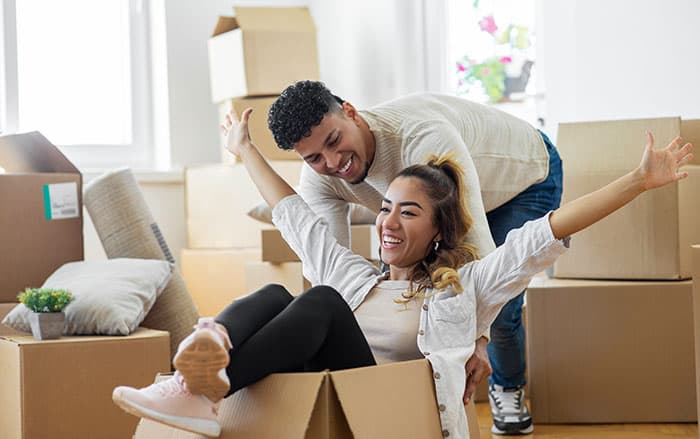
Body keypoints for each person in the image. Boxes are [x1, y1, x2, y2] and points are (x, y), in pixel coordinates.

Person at [112, 107, 692, 439]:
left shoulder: (466, 285)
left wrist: (638, 181)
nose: (388, 222)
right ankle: (194, 377)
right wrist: (244, 149)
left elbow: (547, 233)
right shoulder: (354, 271)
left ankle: (207, 388)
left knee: (319, 303)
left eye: (407, 212)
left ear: (438, 231)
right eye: (384, 207)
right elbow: (293, 213)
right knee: (271, 291)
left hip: (386, 408)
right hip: (329, 391)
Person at [266, 80, 562, 434]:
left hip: (523, 178)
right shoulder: (320, 176)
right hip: (431, 200)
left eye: (333, 141)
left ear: (350, 112)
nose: (332, 162)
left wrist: (476, 339)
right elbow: (329, 268)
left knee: (500, 305)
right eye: (314, 157)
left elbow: (476, 249)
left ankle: (508, 387)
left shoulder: (422, 139)